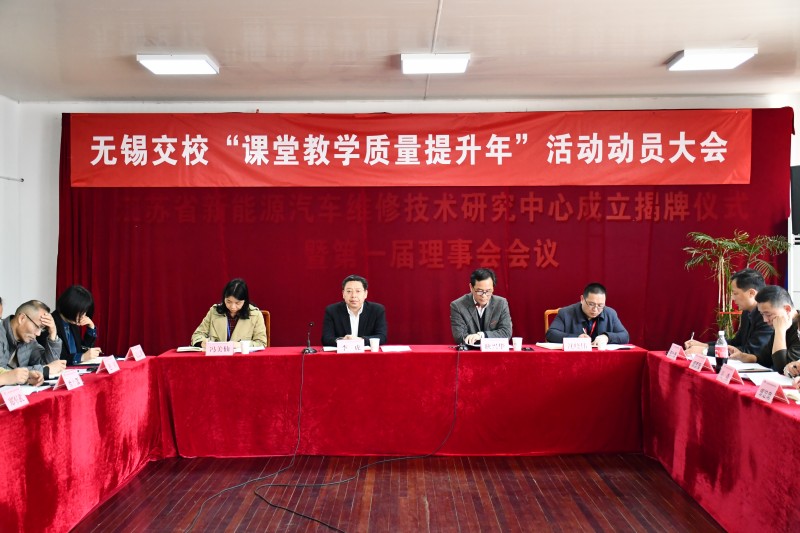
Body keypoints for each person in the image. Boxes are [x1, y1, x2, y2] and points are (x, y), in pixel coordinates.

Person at [684, 268, 772, 357]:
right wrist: (705, 345)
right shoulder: (747, 312)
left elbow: (751, 351)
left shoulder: (768, 316)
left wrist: (705, 351)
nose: (733, 298)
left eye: (735, 293)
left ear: (751, 293)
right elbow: (736, 343)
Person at [730, 285, 800, 372]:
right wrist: (743, 356)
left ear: (787, 309)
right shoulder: (781, 323)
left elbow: (782, 368)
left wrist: (780, 331)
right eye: (762, 314)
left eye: (768, 314)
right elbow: (765, 359)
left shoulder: (795, 328)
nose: (765, 320)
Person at [191, 278, 268, 349]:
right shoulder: (214, 312)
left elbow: (261, 343)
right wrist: (202, 343)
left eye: (237, 303)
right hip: (217, 357)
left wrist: (240, 345)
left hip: (242, 358)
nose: (232, 307)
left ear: (245, 301)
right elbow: (197, 335)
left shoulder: (255, 315)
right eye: (228, 301)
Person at [545, 283, 629, 345]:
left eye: (600, 305)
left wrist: (607, 337)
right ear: (582, 299)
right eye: (591, 304)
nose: (595, 309)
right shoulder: (565, 313)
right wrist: (576, 338)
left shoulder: (610, 313)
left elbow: (625, 336)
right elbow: (551, 334)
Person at [0, 300, 66, 378]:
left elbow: (49, 364)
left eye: (42, 329)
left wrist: (53, 333)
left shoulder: (29, 341)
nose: (38, 334)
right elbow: (3, 373)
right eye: (37, 326)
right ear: (22, 318)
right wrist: (44, 370)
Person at [450, 268, 512, 345]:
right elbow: (459, 337)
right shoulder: (457, 306)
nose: (484, 295)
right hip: (470, 350)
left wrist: (482, 336)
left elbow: (506, 333)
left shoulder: (501, 303)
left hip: (493, 350)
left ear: (493, 288)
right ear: (471, 287)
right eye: (479, 291)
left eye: (488, 291)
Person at [42, 285, 101, 365]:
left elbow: (83, 349)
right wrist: (82, 357)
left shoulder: (72, 323)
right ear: (71, 307)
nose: (84, 316)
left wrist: (91, 328)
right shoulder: (50, 324)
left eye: (85, 312)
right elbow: (55, 359)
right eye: (81, 312)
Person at [322, 274, 387, 347]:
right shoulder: (332, 310)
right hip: (343, 352)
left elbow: (382, 337)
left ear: (365, 294)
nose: (353, 295)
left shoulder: (377, 310)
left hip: (366, 353)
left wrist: (360, 340)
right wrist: (342, 340)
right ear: (343, 294)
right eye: (349, 291)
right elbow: (326, 338)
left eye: (358, 291)